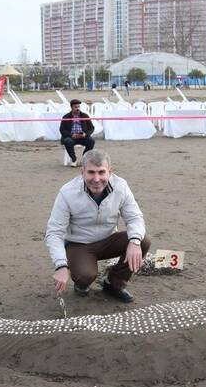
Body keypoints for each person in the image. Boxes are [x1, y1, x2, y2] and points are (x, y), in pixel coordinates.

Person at [46, 149, 150, 303]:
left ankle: (114, 283)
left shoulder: (121, 186)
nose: (96, 179)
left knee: (142, 241)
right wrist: (60, 265)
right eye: (91, 172)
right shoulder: (67, 192)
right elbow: (54, 232)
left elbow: (135, 217)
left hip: (107, 241)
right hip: (78, 244)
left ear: (110, 171)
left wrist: (134, 242)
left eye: (101, 172)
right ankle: (80, 283)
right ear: (82, 172)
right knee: (85, 276)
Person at [59, 99, 95, 167]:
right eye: (75, 107)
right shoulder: (66, 117)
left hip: (82, 137)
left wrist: (86, 134)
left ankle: (84, 158)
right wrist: (72, 135)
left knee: (91, 141)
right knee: (67, 141)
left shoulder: (85, 116)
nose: (77, 109)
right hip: (71, 137)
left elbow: (92, 128)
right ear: (71, 107)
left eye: (78, 107)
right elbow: (62, 130)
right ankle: (74, 159)